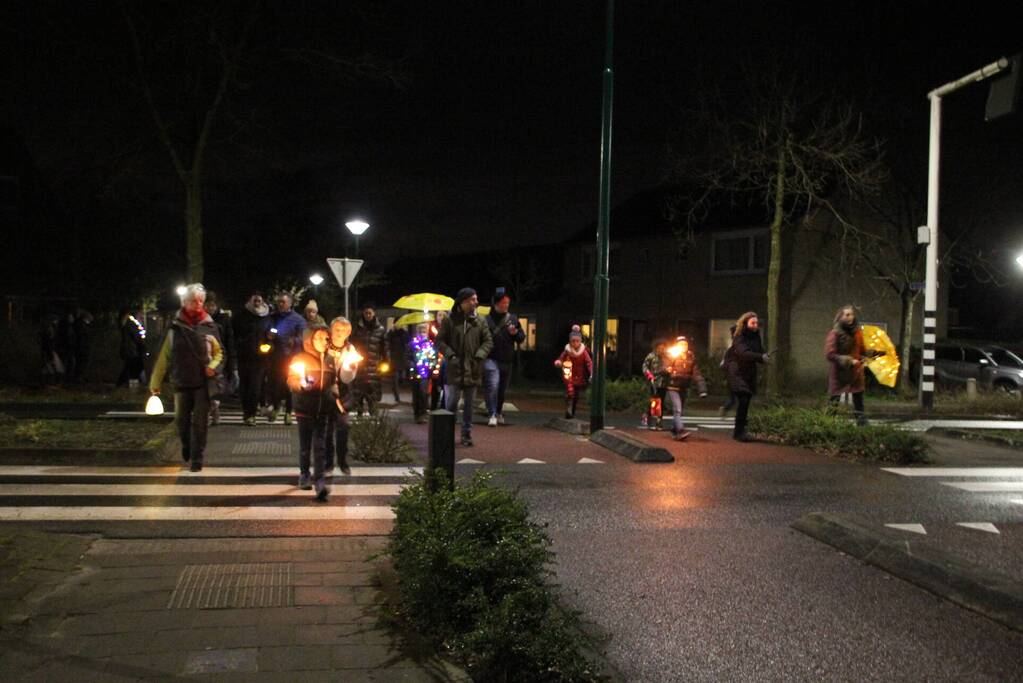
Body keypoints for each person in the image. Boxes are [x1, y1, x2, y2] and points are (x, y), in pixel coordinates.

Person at [149, 284, 223, 471]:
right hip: (181, 381)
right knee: (181, 421)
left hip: (202, 383)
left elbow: (220, 353)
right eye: (193, 301)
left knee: (200, 423)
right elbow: (164, 357)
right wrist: (155, 383)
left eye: (200, 301)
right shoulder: (174, 329)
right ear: (184, 302)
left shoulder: (209, 327)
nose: (197, 304)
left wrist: (213, 367)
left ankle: (197, 457)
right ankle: (186, 444)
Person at [436, 288, 493, 447]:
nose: (476, 302)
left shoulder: (480, 321)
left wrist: (480, 355)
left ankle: (466, 434)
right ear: (463, 302)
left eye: (476, 299)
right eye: (473, 299)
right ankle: (447, 434)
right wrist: (451, 356)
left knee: (469, 405)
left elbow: (488, 341)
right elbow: (440, 341)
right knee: (451, 403)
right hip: (454, 368)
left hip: (473, 368)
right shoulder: (450, 320)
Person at [288, 324, 337, 500]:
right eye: (319, 338)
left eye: (326, 338)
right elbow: (291, 380)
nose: (324, 341)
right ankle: (304, 474)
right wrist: (301, 385)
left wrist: (335, 392)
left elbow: (334, 382)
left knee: (320, 446)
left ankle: (320, 481)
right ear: (310, 340)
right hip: (304, 408)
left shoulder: (330, 359)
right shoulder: (300, 358)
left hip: (323, 409)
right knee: (305, 445)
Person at [825, 304, 883, 426]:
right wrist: (848, 360)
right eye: (847, 315)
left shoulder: (857, 333)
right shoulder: (835, 333)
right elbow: (830, 354)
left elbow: (862, 350)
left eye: (851, 314)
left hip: (856, 373)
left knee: (859, 402)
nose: (850, 317)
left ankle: (862, 426)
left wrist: (874, 353)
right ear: (840, 317)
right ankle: (827, 425)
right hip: (839, 374)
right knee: (833, 402)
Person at [724, 311, 770, 442]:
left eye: (757, 323)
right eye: (752, 323)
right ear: (745, 323)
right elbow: (743, 353)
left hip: (748, 371)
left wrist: (764, 357)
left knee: (746, 400)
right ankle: (739, 432)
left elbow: (758, 351)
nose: (755, 325)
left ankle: (740, 430)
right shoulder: (739, 335)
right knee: (743, 399)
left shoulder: (756, 336)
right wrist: (760, 357)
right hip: (736, 370)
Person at [484, 287, 525, 426]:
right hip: (490, 358)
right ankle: (492, 413)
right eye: (503, 303)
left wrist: (515, 333)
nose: (506, 305)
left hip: (507, 359)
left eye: (507, 303)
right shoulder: (486, 320)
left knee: (501, 389)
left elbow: (521, 338)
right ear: (496, 304)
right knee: (493, 385)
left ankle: (498, 412)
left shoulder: (512, 319)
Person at [325, 317, 359, 476]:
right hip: (325, 393)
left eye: (343, 330)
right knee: (326, 429)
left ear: (348, 333)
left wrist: (350, 368)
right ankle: (328, 463)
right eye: (337, 329)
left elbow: (348, 377)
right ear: (331, 330)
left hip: (343, 395)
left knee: (343, 427)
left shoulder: (351, 350)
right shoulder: (323, 346)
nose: (339, 333)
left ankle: (342, 461)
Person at [233, 292, 272, 426]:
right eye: (254, 300)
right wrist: (239, 345)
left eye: (259, 301)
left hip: (260, 358)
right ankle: (246, 413)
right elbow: (234, 333)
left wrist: (268, 343)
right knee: (244, 386)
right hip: (244, 356)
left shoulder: (267, 316)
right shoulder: (241, 316)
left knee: (255, 387)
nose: (257, 303)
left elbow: (271, 332)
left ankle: (252, 414)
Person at [267, 292, 306, 424]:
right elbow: (269, 329)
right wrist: (270, 335)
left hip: (292, 357)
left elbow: (303, 337)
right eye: (279, 302)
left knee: (290, 385)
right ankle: (276, 407)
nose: (280, 304)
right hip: (276, 356)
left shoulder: (298, 319)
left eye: (283, 302)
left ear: (290, 303)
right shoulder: (273, 317)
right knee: (275, 383)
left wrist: (294, 340)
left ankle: (289, 412)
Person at [664, 336, 708, 440]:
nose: (683, 346)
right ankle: (680, 430)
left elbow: (696, 373)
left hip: (684, 386)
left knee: (679, 410)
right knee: (677, 409)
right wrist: (667, 369)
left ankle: (674, 430)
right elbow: (663, 366)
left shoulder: (691, 357)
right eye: (681, 344)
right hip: (673, 386)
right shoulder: (672, 355)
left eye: (685, 344)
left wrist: (702, 388)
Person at [204, 291, 236, 425]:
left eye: (212, 305)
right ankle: (209, 411)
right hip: (205, 357)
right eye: (207, 305)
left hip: (219, 357)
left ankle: (213, 409)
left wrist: (230, 362)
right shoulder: (200, 319)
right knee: (205, 388)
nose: (210, 308)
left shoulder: (223, 319)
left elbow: (229, 340)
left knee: (215, 386)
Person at [350, 303, 387, 416]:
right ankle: (359, 417)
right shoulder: (357, 329)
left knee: (373, 396)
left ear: (374, 313)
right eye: (366, 313)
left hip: (374, 367)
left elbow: (384, 347)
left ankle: (374, 418)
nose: (368, 315)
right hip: (359, 367)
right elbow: (352, 345)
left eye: (370, 313)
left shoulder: (380, 330)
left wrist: (385, 362)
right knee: (358, 395)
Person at [554, 327, 593, 419]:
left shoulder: (583, 352)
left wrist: (591, 372)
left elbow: (589, 362)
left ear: (580, 341)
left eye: (577, 341)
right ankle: (569, 408)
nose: (575, 343)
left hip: (579, 375)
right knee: (570, 391)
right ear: (570, 341)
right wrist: (559, 362)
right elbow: (561, 358)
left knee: (576, 395)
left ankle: (572, 411)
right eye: (573, 341)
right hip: (569, 373)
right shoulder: (567, 351)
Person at [406, 323, 439, 424]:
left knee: (423, 392)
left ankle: (423, 413)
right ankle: (417, 413)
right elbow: (407, 357)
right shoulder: (412, 344)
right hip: (415, 372)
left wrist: (431, 367)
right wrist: (412, 365)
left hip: (425, 373)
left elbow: (434, 357)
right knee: (416, 393)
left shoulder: (430, 345)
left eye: (424, 331)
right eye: (420, 331)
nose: (422, 333)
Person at [116, 308, 148, 387]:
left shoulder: (127, 322)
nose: (142, 316)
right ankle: (129, 384)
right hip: (133, 350)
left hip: (130, 350)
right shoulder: (131, 323)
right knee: (135, 367)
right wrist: (143, 347)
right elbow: (136, 336)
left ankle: (124, 384)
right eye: (140, 314)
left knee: (131, 367)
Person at [642, 340, 669, 430]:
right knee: (654, 401)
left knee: (661, 402)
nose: (661, 349)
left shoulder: (667, 356)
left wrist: (669, 371)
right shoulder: (651, 356)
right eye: (660, 347)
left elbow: (671, 366)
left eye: (663, 347)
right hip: (654, 382)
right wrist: (649, 375)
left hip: (664, 382)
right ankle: (648, 418)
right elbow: (645, 367)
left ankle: (658, 421)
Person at [386, 320, 410, 403]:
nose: (398, 325)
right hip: (394, 358)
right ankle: (397, 396)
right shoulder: (391, 333)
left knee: (401, 377)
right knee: (395, 378)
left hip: (402, 358)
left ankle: (397, 390)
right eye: (396, 323)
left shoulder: (404, 333)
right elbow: (387, 342)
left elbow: (407, 344)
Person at [429, 310, 448, 410]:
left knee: (446, 383)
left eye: (443, 315)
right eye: (439, 315)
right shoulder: (431, 328)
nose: (441, 317)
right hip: (435, 359)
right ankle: (433, 406)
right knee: (435, 383)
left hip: (445, 358)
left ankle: (443, 407)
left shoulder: (449, 328)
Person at [70, 308, 94, 382]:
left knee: (82, 361)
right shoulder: (81, 325)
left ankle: (80, 376)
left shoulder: (80, 324)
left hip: (82, 346)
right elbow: (81, 336)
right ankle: (78, 377)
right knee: (82, 362)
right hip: (82, 346)